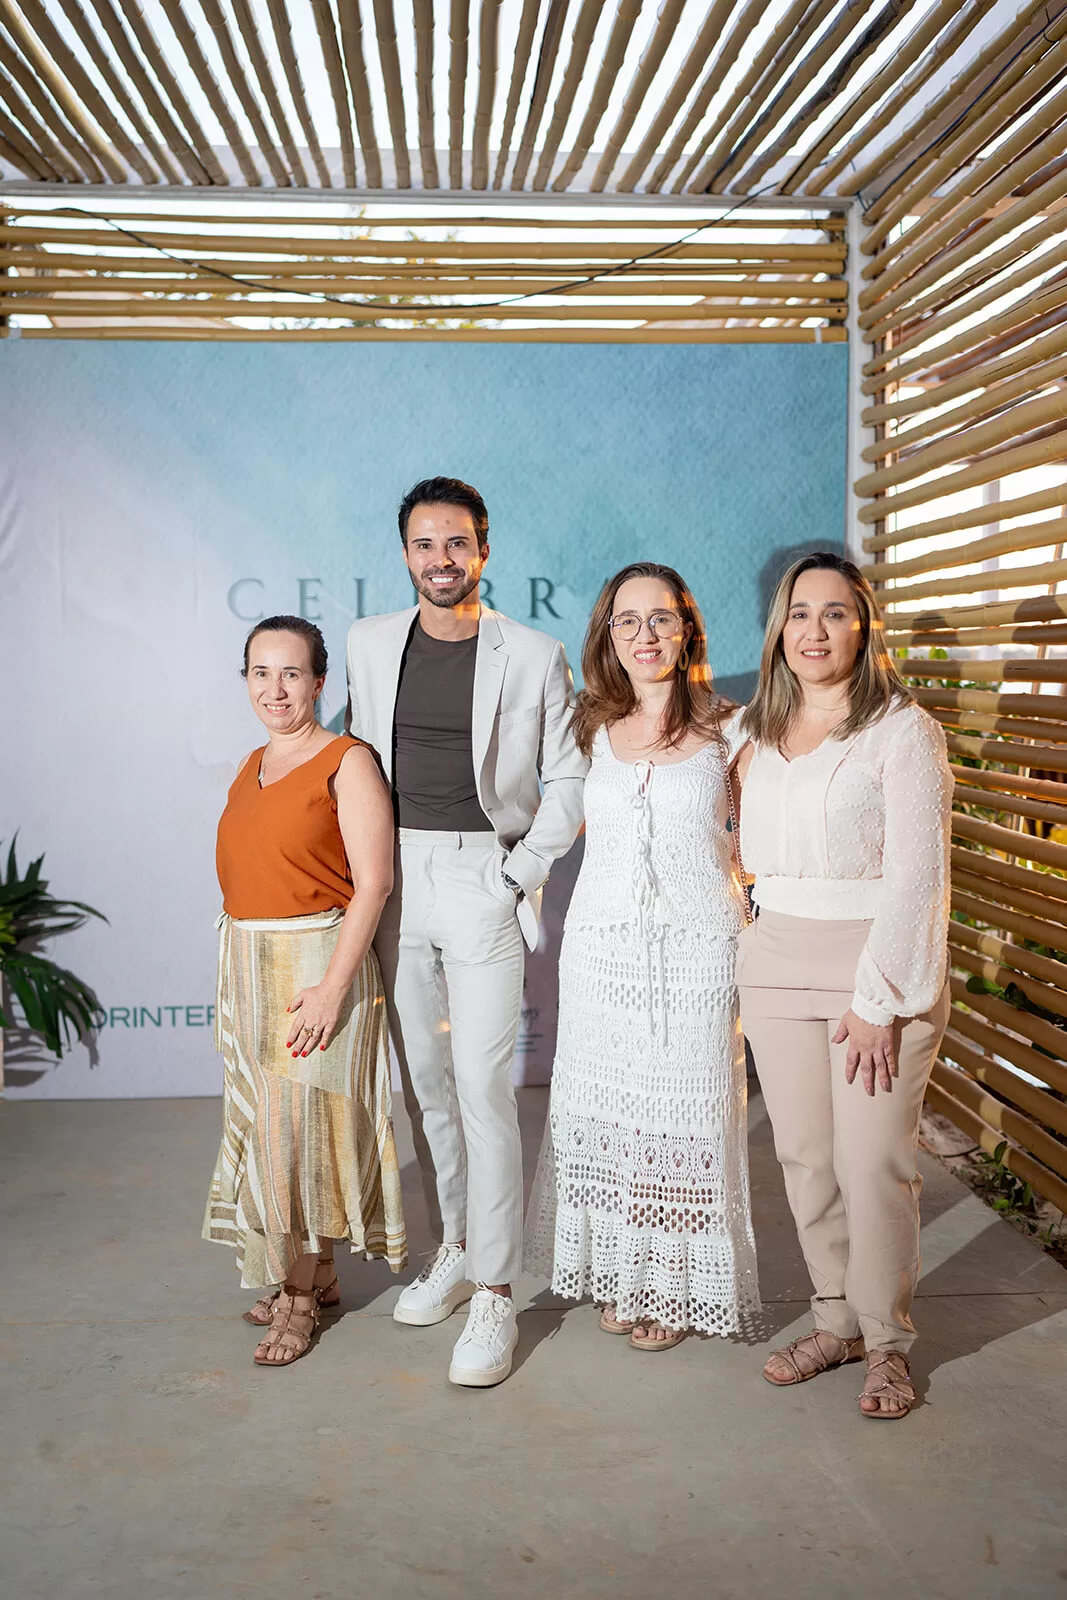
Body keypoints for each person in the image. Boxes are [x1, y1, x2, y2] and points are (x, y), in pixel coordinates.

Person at [345, 477, 587, 1387]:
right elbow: (352, 762)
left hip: (484, 872)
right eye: (423, 544)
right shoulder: (370, 643)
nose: (440, 559)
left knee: (484, 1085)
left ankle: (494, 1289)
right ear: (405, 554)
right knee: (426, 1084)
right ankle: (453, 1249)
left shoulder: (533, 654)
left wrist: (516, 876)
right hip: (393, 878)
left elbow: (568, 780)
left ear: (483, 550)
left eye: (456, 543)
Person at [733, 551, 952, 1419]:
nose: (813, 630)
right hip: (776, 961)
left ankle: (887, 1344)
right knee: (805, 1159)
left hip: (874, 968)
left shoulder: (902, 730)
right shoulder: (753, 730)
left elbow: (917, 878)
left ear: (863, 628)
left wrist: (875, 1000)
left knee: (872, 1166)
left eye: (833, 613)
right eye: (798, 614)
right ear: (778, 630)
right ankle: (835, 1323)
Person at [525, 562, 760, 1349]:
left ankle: (673, 1286)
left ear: (686, 627)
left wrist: (762, 923)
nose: (644, 635)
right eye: (626, 620)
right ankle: (626, 1273)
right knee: (614, 1117)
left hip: (697, 953)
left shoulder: (732, 728)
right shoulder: (587, 728)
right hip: (599, 951)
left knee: (683, 1121)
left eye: (660, 618)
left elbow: (755, 844)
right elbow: (550, 816)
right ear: (607, 634)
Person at [205, 615, 406, 1367]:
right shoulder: (250, 763)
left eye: (291, 673)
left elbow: (374, 882)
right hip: (249, 967)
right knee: (273, 1131)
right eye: (260, 672)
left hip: (316, 966)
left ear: (319, 682)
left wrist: (330, 990)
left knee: (299, 1137)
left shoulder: (348, 761)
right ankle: (316, 1273)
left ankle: (295, 1297)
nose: (275, 688)